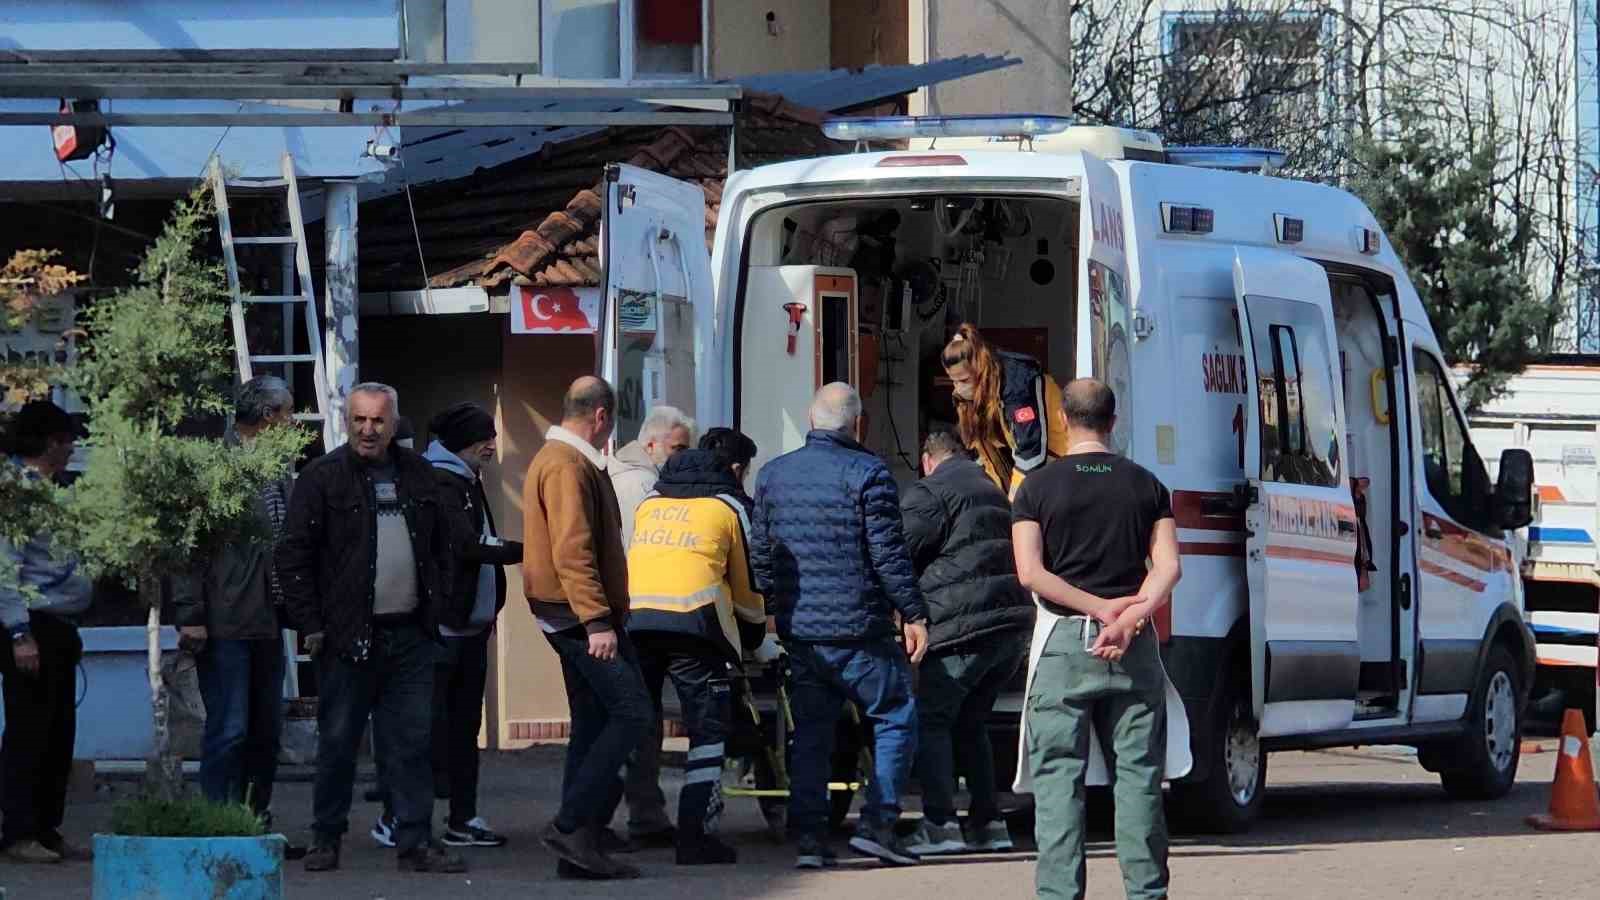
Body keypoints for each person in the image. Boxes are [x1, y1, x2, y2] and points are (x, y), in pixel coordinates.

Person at [277, 383, 465, 875]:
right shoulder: (321, 477)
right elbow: (292, 557)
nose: (367, 429)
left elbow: (447, 547)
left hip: (411, 636)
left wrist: (438, 609)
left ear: (394, 423)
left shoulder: (421, 474)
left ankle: (415, 842)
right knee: (338, 742)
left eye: (378, 421)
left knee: (411, 743)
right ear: (346, 420)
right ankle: (325, 838)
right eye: (359, 419)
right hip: (345, 636)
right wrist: (311, 624)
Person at [1011, 379, 1182, 900]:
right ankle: (1147, 893)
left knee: (1059, 781)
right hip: (1134, 646)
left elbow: (1030, 573)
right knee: (1139, 778)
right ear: (1114, 421)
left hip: (1065, 643)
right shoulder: (1147, 485)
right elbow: (1169, 567)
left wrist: (1093, 607)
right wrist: (1129, 617)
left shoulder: (1035, 488)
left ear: (1063, 420)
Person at [749, 383, 930, 869]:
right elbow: (888, 556)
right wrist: (913, 612)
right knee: (894, 717)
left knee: (811, 734)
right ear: (858, 424)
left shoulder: (772, 475)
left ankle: (810, 838)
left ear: (812, 421)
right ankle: (879, 824)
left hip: (802, 633)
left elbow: (761, 555)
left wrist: (776, 605)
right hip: (861, 630)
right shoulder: (869, 472)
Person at [525, 376, 651, 880]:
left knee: (596, 721)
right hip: (579, 619)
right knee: (633, 712)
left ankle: (580, 843)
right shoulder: (566, 464)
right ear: (601, 417)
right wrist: (598, 621)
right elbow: (573, 550)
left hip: (573, 614)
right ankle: (572, 824)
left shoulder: (567, 461)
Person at [625, 430, 765, 866]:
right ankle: (694, 834)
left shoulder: (651, 501)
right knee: (706, 730)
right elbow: (748, 583)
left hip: (637, 620)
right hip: (694, 622)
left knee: (635, 723)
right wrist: (752, 635)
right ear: (737, 469)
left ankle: (591, 823)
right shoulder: (730, 506)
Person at [899, 428, 1033, 856]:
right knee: (971, 723)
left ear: (927, 459)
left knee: (933, 719)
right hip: (1008, 628)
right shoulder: (994, 490)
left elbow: (898, 551)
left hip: (961, 628)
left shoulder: (931, 491)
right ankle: (989, 823)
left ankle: (940, 825)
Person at [174, 377, 295, 826]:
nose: (292, 421)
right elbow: (189, 546)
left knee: (266, 729)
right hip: (225, 617)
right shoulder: (214, 466)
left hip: (270, 616)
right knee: (230, 728)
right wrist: (191, 615)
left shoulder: (276, 465)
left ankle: (253, 818)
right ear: (268, 416)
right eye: (287, 412)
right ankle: (219, 821)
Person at [421, 402, 524, 849]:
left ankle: (462, 819)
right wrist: (524, 550)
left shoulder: (465, 479)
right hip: (444, 632)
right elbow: (465, 544)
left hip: (469, 629)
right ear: (463, 441)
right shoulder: (443, 482)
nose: (492, 445)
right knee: (432, 731)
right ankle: (404, 819)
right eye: (484, 437)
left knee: (463, 731)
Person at [0, 400, 92, 864]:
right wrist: (19, 634)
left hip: (60, 625)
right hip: (33, 626)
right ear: (49, 443)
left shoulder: (52, 489)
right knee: (29, 732)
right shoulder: (14, 491)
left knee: (58, 733)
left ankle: (46, 828)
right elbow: (5, 568)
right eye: (66, 439)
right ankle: (17, 831)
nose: (72, 448)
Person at [606, 404, 694, 849]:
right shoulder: (641, 486)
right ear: (652, 443)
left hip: (629, 614)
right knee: (639, 717)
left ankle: (640, 811)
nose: (681, 457)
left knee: (638, 716)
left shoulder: (625, 475)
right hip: (637, 613)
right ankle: (642, 813)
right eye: (677, 448)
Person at [941, 323, 1069, 496]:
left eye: (963, 380)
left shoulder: (1018, 384)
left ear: (979, 370)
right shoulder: (967, 398)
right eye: (953, 381)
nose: (957, 388)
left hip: (1062, 456)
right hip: (1032, 464)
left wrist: (1014, 501)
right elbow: (983, 453)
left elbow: (1031, 451)